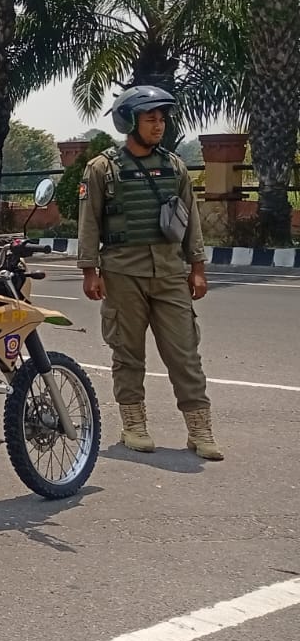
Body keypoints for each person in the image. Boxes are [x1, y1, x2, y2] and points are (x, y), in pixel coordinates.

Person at [76, 84, 221, 460]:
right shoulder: (102, 168)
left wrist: (198, 267)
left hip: (170, 272)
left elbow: (191, 221)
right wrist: (90, 271)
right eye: (150, 119)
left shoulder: (175, 166)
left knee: (185, 353)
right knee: (128, 352)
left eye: (162, 119)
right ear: (130, 121)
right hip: (122, 272)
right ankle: (134, 425)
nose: (158, 126)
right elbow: (88, 223)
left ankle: (199, 429)